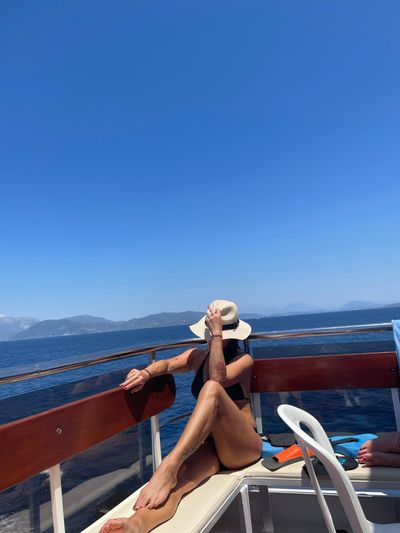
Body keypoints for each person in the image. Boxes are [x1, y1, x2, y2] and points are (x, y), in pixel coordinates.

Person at [100, 300, 262, 533]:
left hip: (242, 447)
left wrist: (216, 335)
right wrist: (146, 373)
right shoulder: (198, 356)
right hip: (212, 447)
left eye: (213, 330)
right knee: (177, 485)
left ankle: (169, 465)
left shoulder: (243, 360)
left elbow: (217, 378)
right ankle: (136, 524)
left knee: (212, 389)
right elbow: (168, 364)